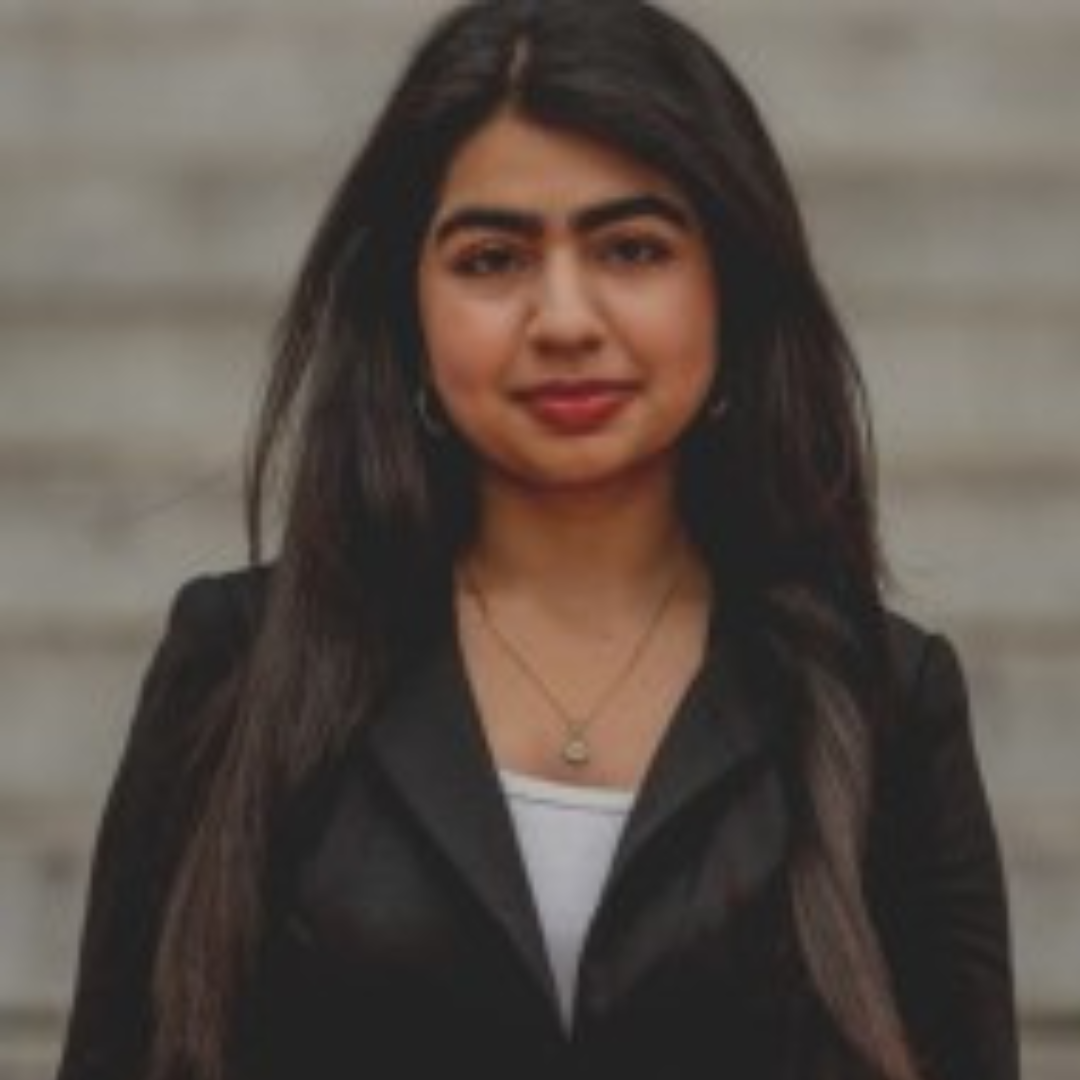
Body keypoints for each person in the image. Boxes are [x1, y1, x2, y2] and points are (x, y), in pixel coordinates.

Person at [54, 2, 1018, 1078]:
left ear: (730, 292)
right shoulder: (241, 665)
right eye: (491, 258)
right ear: (407, 307)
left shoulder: (881, 696)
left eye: (632, 248)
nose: (563, 317)